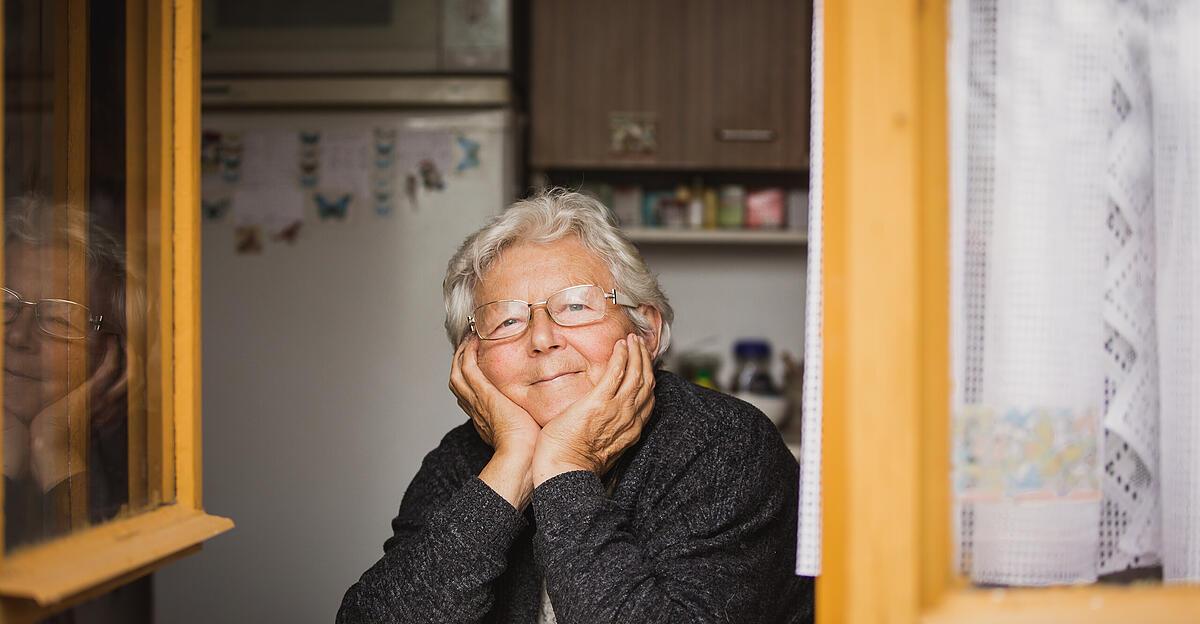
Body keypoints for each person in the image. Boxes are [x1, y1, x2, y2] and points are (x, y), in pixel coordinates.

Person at [338, 189, 813, 623]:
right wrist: (511, 467)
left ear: (645, 332)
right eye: (506, 320)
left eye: (576, 307)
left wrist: (565, 470)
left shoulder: (725, 446)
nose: (542, 338)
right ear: (470, 358)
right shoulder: (463, 460)